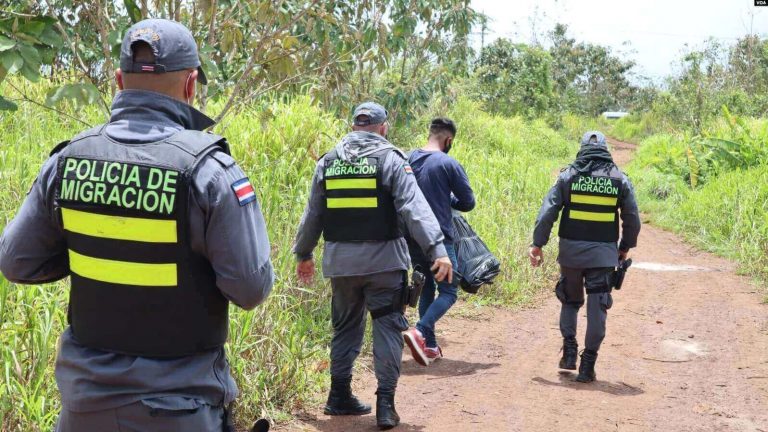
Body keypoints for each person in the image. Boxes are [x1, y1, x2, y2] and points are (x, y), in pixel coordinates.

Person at [0, 19, 274, 431]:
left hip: (84, 409)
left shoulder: (66, 163)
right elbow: (250, 289)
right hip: (180, 411)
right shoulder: (210, 172)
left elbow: (15, 262)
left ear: (118, 81)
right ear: (191, 85)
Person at [293, 102, 452, 430]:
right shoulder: (391, 159)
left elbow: (313, 214)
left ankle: (339, 395)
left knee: (345, 328)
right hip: (384, 265)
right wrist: (437, 250)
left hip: (341, 266)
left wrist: (304, 254)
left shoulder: (328, 162)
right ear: (383, 128)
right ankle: (385, 405)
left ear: (354, 127)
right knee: (388, 326)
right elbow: (413, 207)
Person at [529, 131, 640, 383]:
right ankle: (588, 365)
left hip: (571, 254)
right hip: (603, 256)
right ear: (606, 150)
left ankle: (569, 352)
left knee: (570, 300)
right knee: (597, 306)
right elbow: (632, 218)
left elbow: (547, 213)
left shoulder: (568, 176)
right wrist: (625, 247)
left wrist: (538, 244)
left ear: (582, 150)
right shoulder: (620, 179)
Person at [403, 118, 475, 363]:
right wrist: (448, 199)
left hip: (412, 237)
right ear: (449, 140)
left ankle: (430, 346)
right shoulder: (448, 163)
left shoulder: (408, 158)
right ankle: (420, 330)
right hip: (439, 240)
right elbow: (468, 202)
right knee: (449, 291)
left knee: (425, 287)